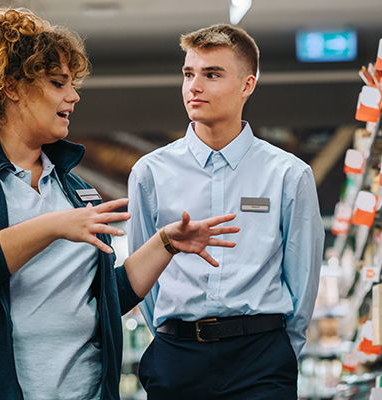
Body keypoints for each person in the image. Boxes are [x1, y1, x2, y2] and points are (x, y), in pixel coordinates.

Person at [0, 8, 239, 400]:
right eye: (58, 83)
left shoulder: (75, 189)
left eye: (73, 84)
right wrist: (51, 226)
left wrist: (166, 242)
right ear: (12, 86)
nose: (73, 96)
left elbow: (102, 298)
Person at [127, 24, 324, 399]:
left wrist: (280, 352)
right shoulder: (149, 174)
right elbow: (142, 276)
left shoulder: (288, 174)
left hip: (261, 359)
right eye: (189, 74)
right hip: (177, 358)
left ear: (247, 84)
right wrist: (174, 339)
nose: (194, 87)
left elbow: (303, 278)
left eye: (211, 74)